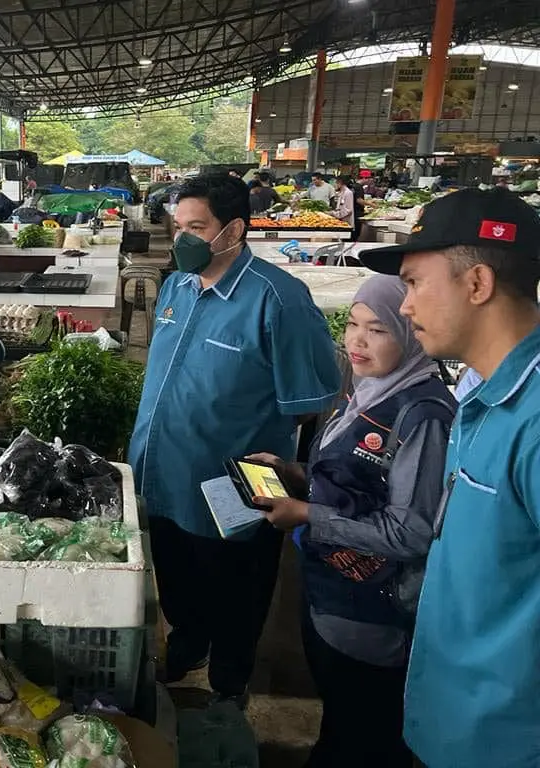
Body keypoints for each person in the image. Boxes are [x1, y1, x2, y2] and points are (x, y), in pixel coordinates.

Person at [129, 174, 340, 705]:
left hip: (231, 488)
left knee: (235, 591)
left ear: (235, 230)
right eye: (179, 227)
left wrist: (289, 474)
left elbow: (310, 402)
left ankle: (230, 677)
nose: (184, 240)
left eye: (196, 227)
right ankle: (187, 644)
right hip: (164, 472)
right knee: (175, 574)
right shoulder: (177, 286)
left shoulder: (278, 299)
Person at [358, 188, 540, 768]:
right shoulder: (479, 394)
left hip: (505, 742)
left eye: (413, 283)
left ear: (477, 284)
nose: (404, 307)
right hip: (451, 719)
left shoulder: (534, 421)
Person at [251, 275, 455, 768]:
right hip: (330, 591)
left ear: (410, 334)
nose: (357, 341)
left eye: (378, 330)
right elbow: (352, 478)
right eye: (353, 326)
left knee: (365, 735)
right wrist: (291, 473)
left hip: (375, 610)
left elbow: (410, 532)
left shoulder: (423, 416)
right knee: (340, 718)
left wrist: (306, 514)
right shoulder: (364, 391)